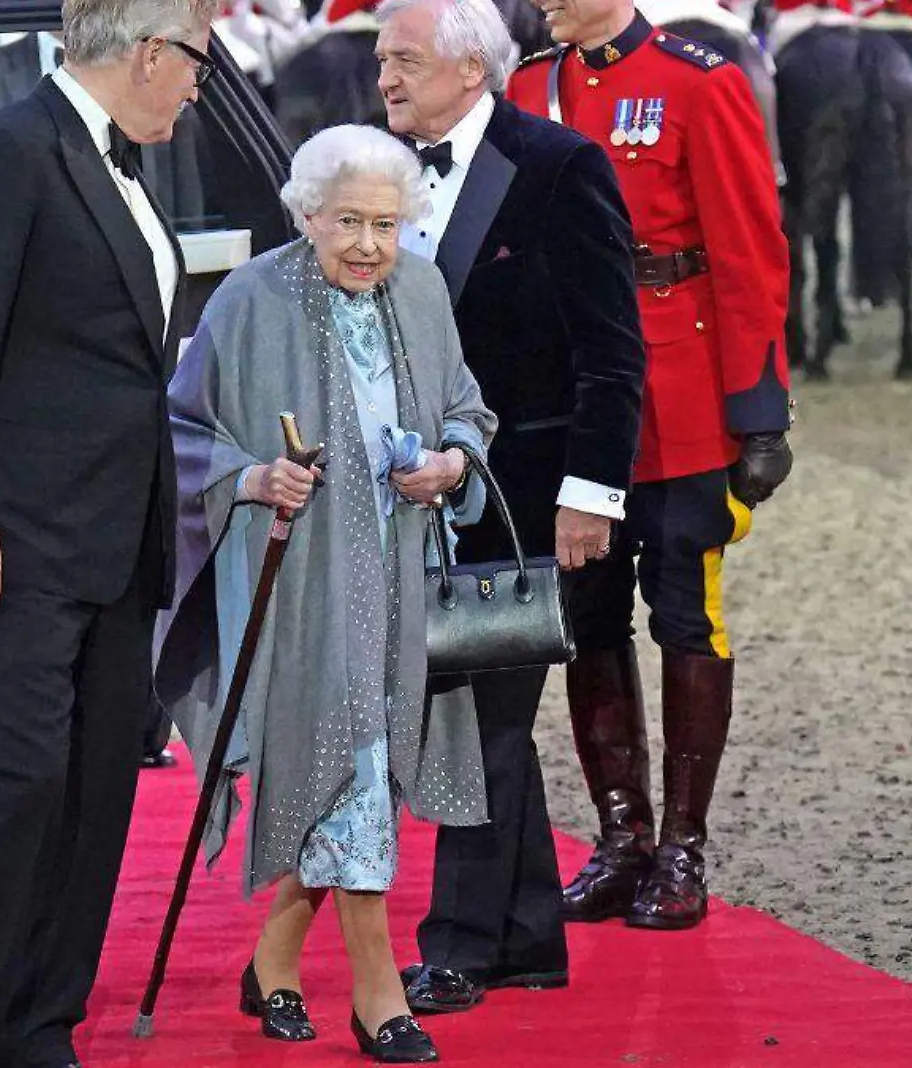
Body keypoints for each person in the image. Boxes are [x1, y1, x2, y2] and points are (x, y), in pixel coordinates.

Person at [0, 1, 217, 1065]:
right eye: (198, 64)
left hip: (115, 545)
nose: (201, 86)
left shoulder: (120, 165)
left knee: (95, 789)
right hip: (12, 544)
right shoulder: (4, 153)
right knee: (20, 775)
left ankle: (39, 1025)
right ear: (152, 54)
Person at [153, 123, 496, 1064]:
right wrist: (254, 477)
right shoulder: (250, 298)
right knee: (351, 757)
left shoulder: (421, 290)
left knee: (363, 762)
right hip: (300, 582)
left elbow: (466, 405)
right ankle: (379, 995)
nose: (367, 247)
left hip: (403, 573)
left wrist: (451, 462)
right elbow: (180, 430)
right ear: (306, 215)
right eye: (347, 222)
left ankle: (273, 962)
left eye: (386, 225)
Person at [373, 0, 647, 1015]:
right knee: (480, 714)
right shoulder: (375, 173)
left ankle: (456, 947)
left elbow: (613, 353)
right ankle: (527, 935)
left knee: (472, 719)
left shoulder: (562, 166)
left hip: (530, 500)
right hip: (414, 503)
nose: (387, 79)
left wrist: (592, 496)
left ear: (472, 68)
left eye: (404, 60)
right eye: (381, 62)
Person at [506, 0, 792, 933]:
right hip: (577, 404)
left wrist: (758, 408)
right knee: (588, 615)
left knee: (683, 617)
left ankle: (683, 849)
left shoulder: (697, 81)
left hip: (680, 398)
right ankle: (622, 839)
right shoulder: (528, 85)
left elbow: (750, 247)